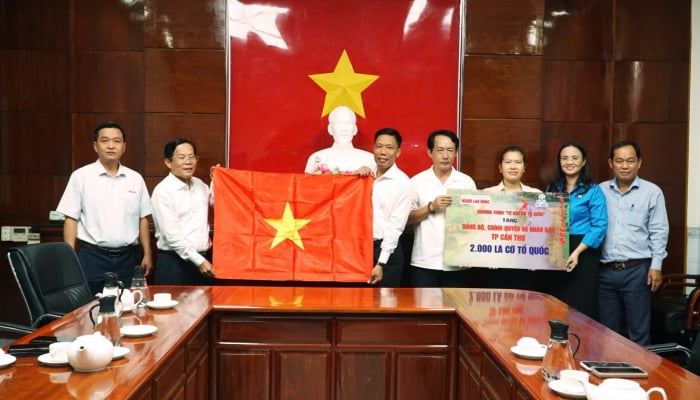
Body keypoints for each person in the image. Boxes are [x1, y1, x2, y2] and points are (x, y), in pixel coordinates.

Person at [56, 121, 152, 295]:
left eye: (116, 141)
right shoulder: (81, 177)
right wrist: (69, 258)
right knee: (90, 309)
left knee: (129, 307)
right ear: (95, 146)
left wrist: (147, 253)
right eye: (105, 140)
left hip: (129, 258)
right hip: (92, 257)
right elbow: (71, 218)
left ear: (124, 147)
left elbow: (143, 218)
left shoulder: (135, 178)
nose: (111, 146)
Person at [599, 141, 668, 346]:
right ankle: (608, 375)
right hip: (604, 272)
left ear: (639, 163)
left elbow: (659, 231)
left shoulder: (652, 192)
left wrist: (656, 266)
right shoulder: (600, 191)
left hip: (637, 271)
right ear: (611, 163)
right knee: (605, 332)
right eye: (619, 161)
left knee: (638, 332)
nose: (625, 165)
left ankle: (639, 377)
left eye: (630, 161)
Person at [544, 141, 607, 319]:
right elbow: (546, 222)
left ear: (583, 161)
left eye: (574, 158)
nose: (569, 162)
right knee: (556, 308)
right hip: (557, 251)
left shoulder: (593, 190)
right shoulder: (552, 188)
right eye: (564, 158)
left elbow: (599, 226)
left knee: (580, 310)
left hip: (583, 252)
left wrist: (577, 252)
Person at [407, 129, 477, 287]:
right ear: (429, 152)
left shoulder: (466, 182)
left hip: (457, 262)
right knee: (424, 310)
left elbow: (475, 222)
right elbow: (407, 220)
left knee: (454, 310)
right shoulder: (417, 182)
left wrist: (469, 254)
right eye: (440, 150)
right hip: (424, 262)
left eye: (450, 150)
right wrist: (431, 207)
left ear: (456, 152)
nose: (445, 156)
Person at [151, 138, 216, 285]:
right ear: (168, 162)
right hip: (175, 263)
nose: (188, 161)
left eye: (192, 157)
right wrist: (199, 261)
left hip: (203, 260)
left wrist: (218, 180)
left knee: (203, 307)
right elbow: (172, 236)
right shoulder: (163, 191)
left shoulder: (199, 184)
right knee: (175, 307)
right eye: (182, 157)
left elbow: (216, 202)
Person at [481, 146, 542, 290]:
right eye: (508, 162)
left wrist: (538, 259)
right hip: (492, 266)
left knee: (522, 310)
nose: (513, 166)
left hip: (526, 267)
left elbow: (542, 231)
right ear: (500, 167)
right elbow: (479, 230)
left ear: (524, 167)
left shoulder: (537, 196)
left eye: (518, 162)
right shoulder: (486, 194)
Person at [364, 128, 412, 287]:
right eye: (379, 146)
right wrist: (354, 177)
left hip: (386, 252)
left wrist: (381, 263)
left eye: (389, 148)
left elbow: (396, 226)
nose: (383, 152)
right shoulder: (365, 174)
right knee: (356, 304)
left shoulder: (402, 182)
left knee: (383, 306)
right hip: (360, 249)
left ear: (398, 152)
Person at [304, 105, 375, 174]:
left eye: (348, 123)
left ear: (355, 129)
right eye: (339, 123)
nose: (344, 129)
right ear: (330, 129)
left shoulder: (369, 159)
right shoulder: (316, 159)